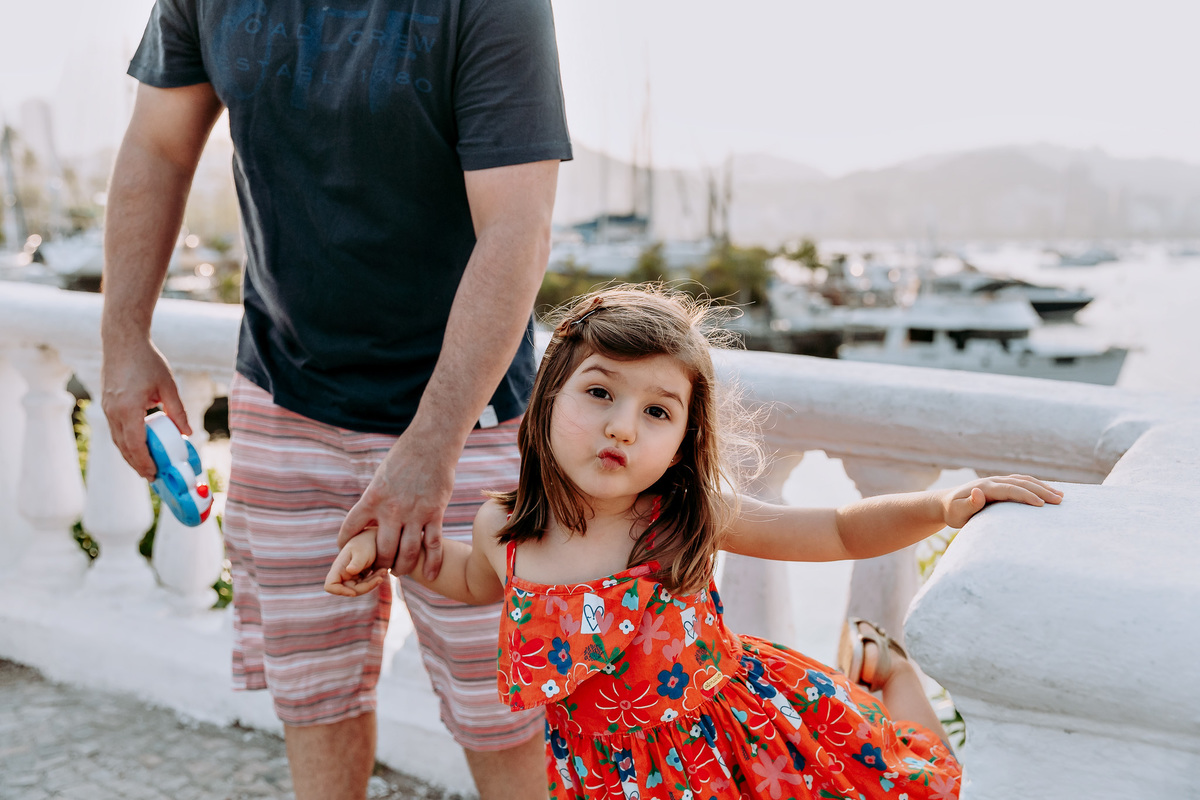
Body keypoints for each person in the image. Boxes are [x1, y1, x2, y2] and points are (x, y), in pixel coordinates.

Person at [326, 285, 1065, 800]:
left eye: (657, 411)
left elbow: (837, 529)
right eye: (599, 393)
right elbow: (471, 579)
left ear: (683, 441)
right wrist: (397, 553)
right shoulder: (506, 529)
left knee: (903, 784)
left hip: (737, 753)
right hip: (605, 777)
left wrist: (942, 503)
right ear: (547, 396)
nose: (622, 425)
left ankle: (890, 673)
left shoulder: (677, 518)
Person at [99, 1, 572, 798]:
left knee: (506, 711)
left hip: (474, 423)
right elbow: (156, 146)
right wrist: (122, 337)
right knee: (313, 698)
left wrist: (431, 446)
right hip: (285, 398)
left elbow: (517, 228)